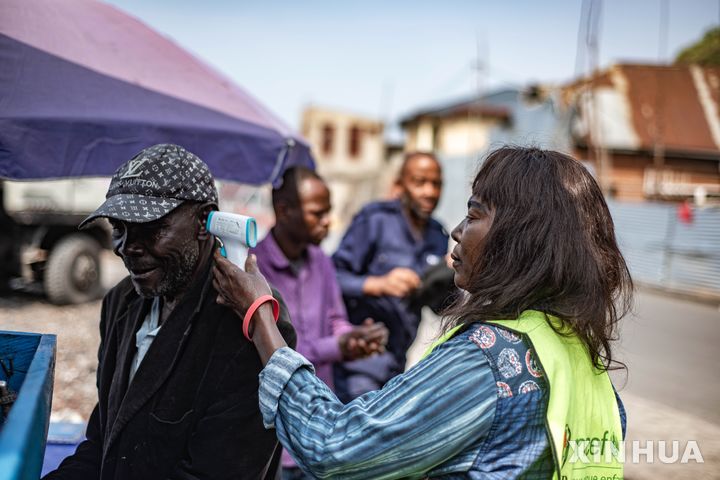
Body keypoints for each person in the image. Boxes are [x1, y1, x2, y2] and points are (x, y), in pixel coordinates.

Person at [213, 146, 632, 479]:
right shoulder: (585, 363)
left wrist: (259, 314)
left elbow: (334, 447)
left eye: (473, 214)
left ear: (520, 240)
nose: (457, 230)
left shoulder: (487, 359)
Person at [44, 144, 295, 480]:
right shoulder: (122, 302)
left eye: (150, 229)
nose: (127, 248)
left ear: (205, 223)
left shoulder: (247, 325)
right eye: (118, 229)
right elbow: (104, 441)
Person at [251, 166, 388, 480]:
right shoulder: (254, 268)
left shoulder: (322, 262)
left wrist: (357, 337)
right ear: (284, 211)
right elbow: (273, 349)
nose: (328, 221)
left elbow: (336, 321)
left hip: (318, 423)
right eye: (318, 213)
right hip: (270, 430)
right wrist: (337, 346)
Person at [332, 151, 448, 401]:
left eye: (436, 184)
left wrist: (447, 279)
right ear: (401, 184)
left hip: (398, 364)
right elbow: (332, 277)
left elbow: (440, 307)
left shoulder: (439, 236)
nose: (429, 192)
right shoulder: (375, 220)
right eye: (419, 182)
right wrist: (378, 284)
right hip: (359, 359)